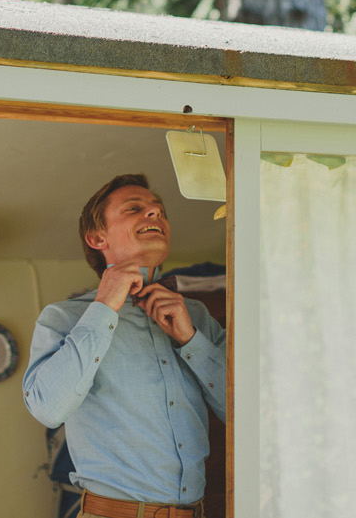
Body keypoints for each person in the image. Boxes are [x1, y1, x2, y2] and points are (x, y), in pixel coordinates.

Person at [23, 174, 227, 518]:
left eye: (160, 211)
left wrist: (191, 340)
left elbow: (245, 415)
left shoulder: (197, 316)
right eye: (135, 208)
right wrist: (102, 309)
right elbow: (47, 409)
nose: (155, 215)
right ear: (96, 237)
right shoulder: (63, 317)